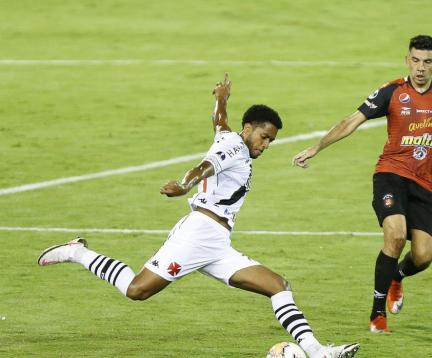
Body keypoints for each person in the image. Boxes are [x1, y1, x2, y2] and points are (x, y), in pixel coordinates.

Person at [38, 73, 359, 358]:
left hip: (217, 242)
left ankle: (317, 351)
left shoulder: (230, 138)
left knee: (277, 285)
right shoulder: (234, 149)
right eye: (265, 137)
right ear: (249, 129)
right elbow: (205, 166)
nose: (267, 145)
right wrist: (183, 185)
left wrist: (222, 100)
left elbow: (219, 122)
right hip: (197, 234)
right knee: (137, 290)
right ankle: (78, 252)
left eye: (271, 140)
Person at [292, 35, 432, 333]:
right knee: (396, 236)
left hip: (425, 186)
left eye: (427, 62)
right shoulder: (391, 92)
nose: (420, 68)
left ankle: (397, 276)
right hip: (391, 175)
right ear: (407, 60)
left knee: (424, 256)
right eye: (415, 60)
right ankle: (376, 314)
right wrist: (317, 147)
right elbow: (352, 121)